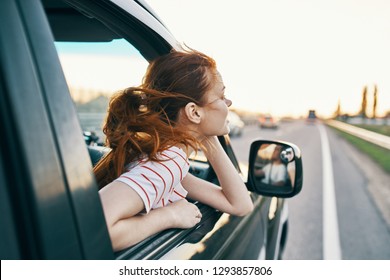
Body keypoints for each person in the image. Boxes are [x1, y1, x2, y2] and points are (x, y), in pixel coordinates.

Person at [94, 48, 254, 251]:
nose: (228, 102)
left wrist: (206, 134)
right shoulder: (167, 164)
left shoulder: (165, 160)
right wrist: (169, 216)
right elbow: (95, 229)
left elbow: (240, 204)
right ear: (193, 112)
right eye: (221, 96)